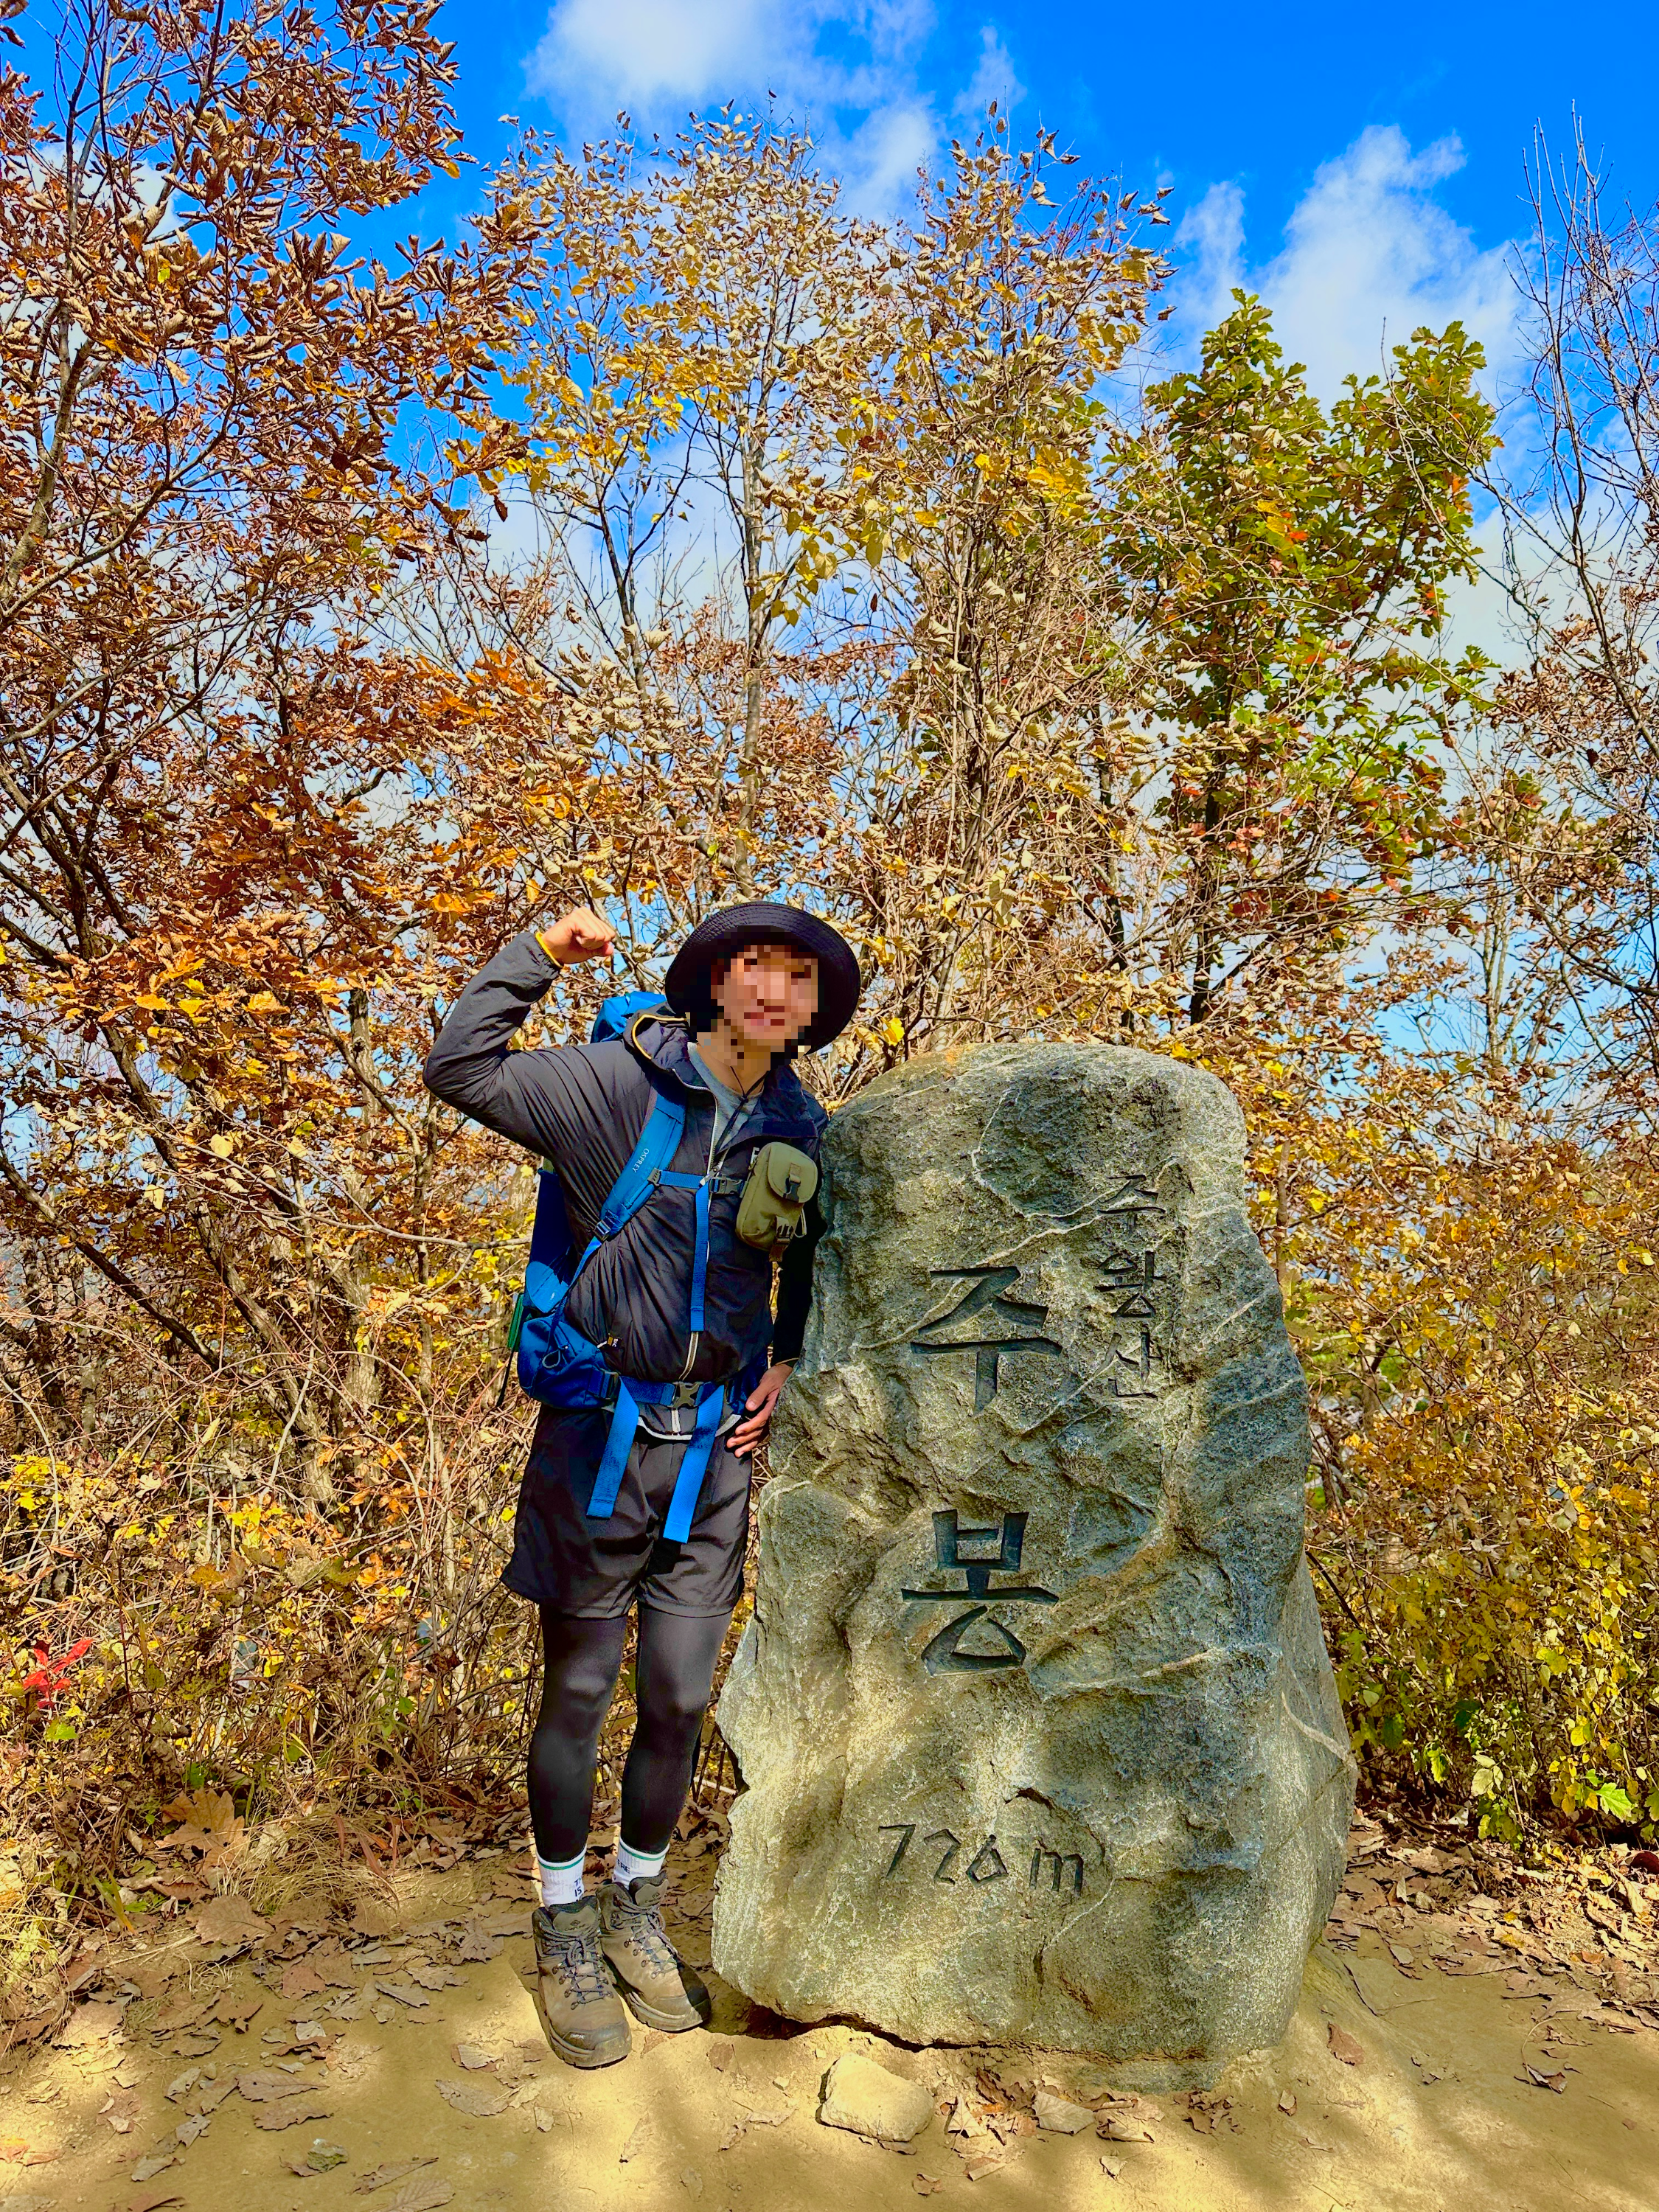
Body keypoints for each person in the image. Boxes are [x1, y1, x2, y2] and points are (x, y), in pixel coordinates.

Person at [422, 900, 860, 2067]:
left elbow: (807, 1262)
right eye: (752, 967)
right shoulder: (613, 1085)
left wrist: (784, 1360)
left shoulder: (798, 1124)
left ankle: (634, 1907)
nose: (773, 990)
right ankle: (562, 1919)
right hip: (598, 1445)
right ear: (715, 981)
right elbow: (458, 1067)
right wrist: (537, 959)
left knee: (675, 1697)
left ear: (816, 1012)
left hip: (716, 1453)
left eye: (797, 979)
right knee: (580, 1689)